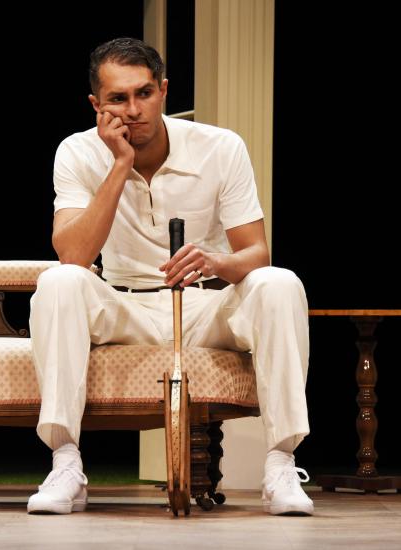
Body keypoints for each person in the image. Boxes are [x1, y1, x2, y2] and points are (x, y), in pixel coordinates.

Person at [27, 37, 314, 516]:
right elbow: (73, 254)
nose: (133, 110)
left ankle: (281, 463)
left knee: (280, 282)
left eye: (143, 94)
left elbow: (256, 253)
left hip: (202, 304)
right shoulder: (76, 153)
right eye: (118, 99)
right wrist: (119, 164)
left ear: (163, 91)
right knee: (58, 282)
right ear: (97, 104)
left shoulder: (221, 147)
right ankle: (66, 464)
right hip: (123, 306)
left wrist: (217, 262)